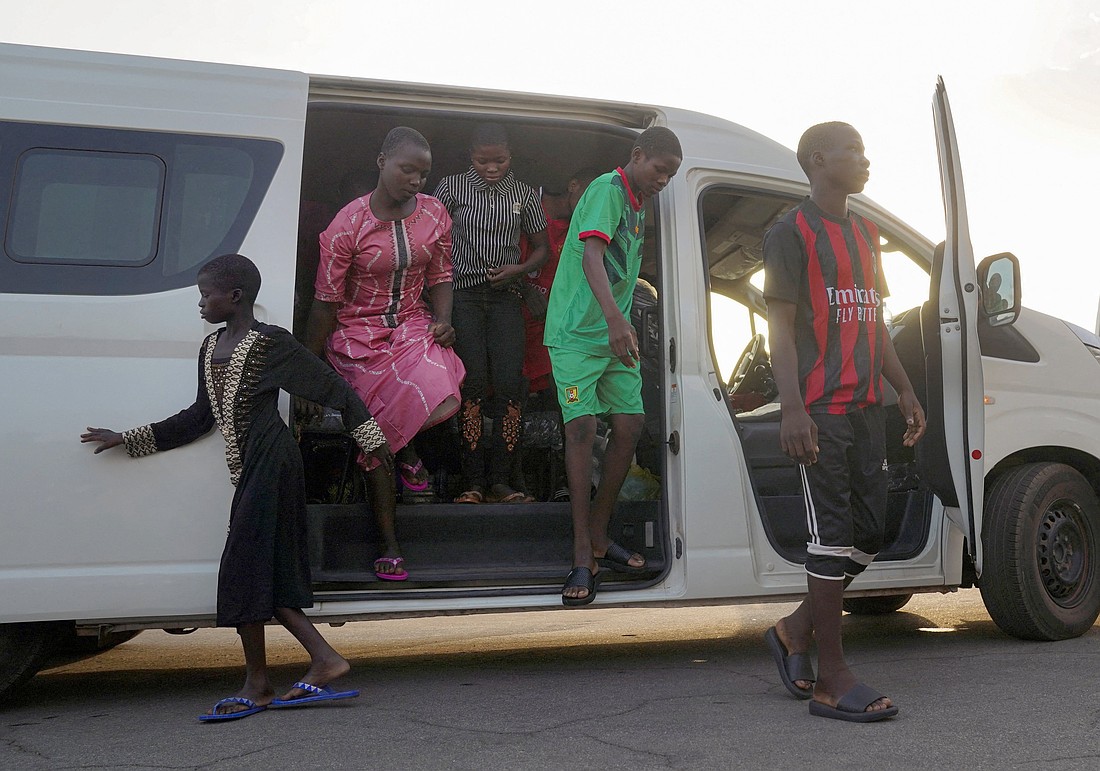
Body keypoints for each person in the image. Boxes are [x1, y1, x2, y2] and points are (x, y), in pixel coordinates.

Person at [81, 253, 391, 721]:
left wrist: (372, 441)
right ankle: (324, 661)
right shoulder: (210, 348)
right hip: (249, 469)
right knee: (271, 575)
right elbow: (198, 419)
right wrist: (128, 438)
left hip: (275, 463)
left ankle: (259, 682)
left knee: (241, 571)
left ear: (236, 296)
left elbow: (336, 390)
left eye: (207, 294)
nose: (201, 303)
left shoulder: (271, 343)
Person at [761, 122, 926, 722]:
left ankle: (794, 631)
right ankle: (832, 677)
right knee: (831, 538)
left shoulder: (865, 232)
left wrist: (903, 388)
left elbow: (875, 321)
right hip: (819, 412)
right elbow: (779, 328)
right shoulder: (789, 231)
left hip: (865, 409)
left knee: (871, 533)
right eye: (851, 150)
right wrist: (793, 408)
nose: (864, 158)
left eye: (863, 147)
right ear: (816, 160)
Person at [306, 127, 464, 580]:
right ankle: (390, 542)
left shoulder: (435, 214)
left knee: (440, 381)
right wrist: (308, 369)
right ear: (382, 162)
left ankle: (407, 453)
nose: (416, 180)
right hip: (357, 338)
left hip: (413, 325)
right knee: (375, 435)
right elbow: (324, 302)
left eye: (424, 173)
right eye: (407, 169)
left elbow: (442, 274)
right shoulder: (346, 226)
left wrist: (443, 319)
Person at [545, 127, 683, 606]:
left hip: (611, 335)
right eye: (660, 168)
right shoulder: (608, 189)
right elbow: (591, 256)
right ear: (637, 155)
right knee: (581, 428)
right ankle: (582, 552)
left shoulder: (639, 201)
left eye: (672, 174)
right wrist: (614, 320)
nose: (664, 179)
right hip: (577, 335)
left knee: (630, 424)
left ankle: (600, 533)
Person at [433, 123, 549, 504]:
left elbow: (541, 249)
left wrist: (518, 270)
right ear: (471, 156)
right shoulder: (450, 188)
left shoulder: (525, 194)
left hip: (505, 298)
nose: (492, 167)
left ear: (510, 156)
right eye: (483, 161)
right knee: (473, 386)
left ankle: (501, 481)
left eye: (499, 160)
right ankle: (472, 482)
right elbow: (430, 240)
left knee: (510, 387)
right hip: (463, 296)